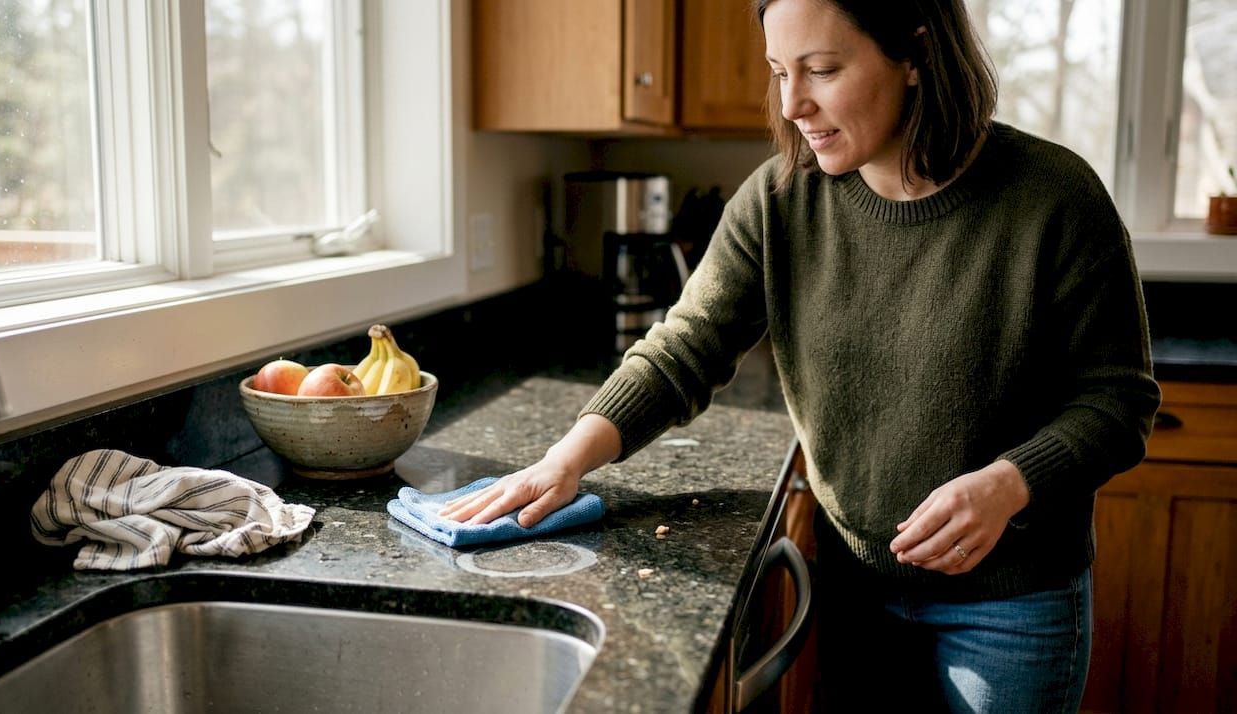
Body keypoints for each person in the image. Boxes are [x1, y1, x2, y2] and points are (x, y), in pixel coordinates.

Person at [442, 0, 1161, 710]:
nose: (793, 105)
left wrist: (1008, 484)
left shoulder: (1055, 199)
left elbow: (1118, 404)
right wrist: (565, 460)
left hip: (1010, 607)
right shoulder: (781, 201)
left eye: (821, 69)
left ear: (915, 54)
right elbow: (684, 347)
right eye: (780, 71)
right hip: (854, 587)